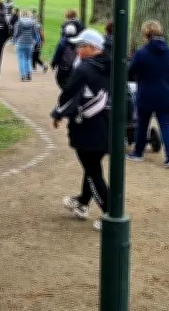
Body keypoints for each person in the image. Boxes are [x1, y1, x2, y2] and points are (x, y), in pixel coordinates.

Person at [54, 29, 112, 231]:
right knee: (92, 165)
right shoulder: (114, 66)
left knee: (92, 168)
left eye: (81, 45)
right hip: (109, 126)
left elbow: (68, 94)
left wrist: (57, 113)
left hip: (88, 127)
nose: (78, 49)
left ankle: (110, 212)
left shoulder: (84, 69)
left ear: (92, 47)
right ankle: (83, 202)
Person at [126, 20, 169, 168]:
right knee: (166, 125)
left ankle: (138, 152)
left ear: (146, 34)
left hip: (146, 92)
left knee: (143, 124)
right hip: (165, 92)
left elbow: (132, 70)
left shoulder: (142, 53)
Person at [13, 10, 40, 81]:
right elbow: (35, 33)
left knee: (21, 59)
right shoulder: (33, 23)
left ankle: (23, 75)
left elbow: (16, 34)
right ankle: (29, 74)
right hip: (30, 43)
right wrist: (36, 41)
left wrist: (14, 41)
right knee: (28, 58)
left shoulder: (18, 23)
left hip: (20, 43)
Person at [51, 23, 80, 89]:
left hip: (64, 67)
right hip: (75, 66)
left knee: (60, 79)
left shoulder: (62, 41)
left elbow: (57, 54)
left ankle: (67, 92)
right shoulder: (78, 41)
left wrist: (54, 63)